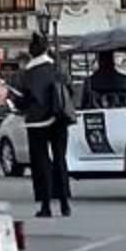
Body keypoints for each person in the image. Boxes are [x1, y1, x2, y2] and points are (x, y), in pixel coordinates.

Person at [13, 34, 74, 217]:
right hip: (59, 119)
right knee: (60, 160)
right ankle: (64, 204)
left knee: (41, 163)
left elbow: (22, 102)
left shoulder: (27, 74)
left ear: (32, 52)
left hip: (37, 123)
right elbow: (69, 91)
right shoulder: (58, 69)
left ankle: (46, 205)